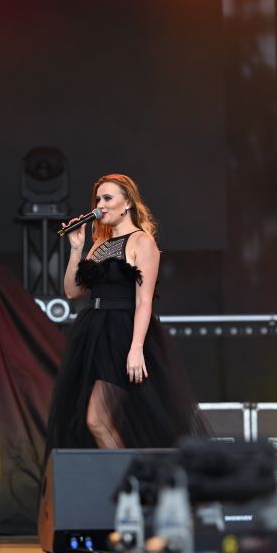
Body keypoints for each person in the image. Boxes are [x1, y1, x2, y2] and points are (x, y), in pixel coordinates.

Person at [44, 174, 203, 454]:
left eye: (107, 198)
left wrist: (136, 348)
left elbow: (144, 302)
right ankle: (127, 475)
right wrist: (76, 249)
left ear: (127, 202)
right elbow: (72, 291)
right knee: (96, 421)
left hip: (121, 334)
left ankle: (128, 476)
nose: (100, 205)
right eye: (98, 199)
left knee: (97, 420)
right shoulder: (98, 244)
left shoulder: (142, 242)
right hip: (93, 333)